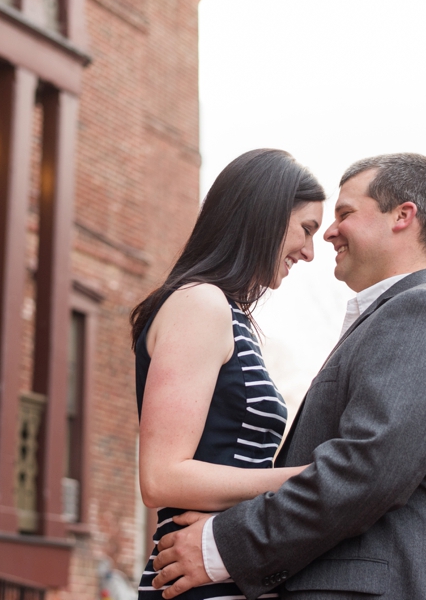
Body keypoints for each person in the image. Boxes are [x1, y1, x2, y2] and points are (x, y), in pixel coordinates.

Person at [151, 153, 426, 599]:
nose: (329, 233)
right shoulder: (393, 319)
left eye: (345, 214)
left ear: (403, 216)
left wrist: (221, 546)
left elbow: (366, 472)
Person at [132, 148, 327, 600]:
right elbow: (161, 477)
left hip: (221, 576)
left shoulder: (227, 313)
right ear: (268, 214)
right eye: (306, 229)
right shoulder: (201, 304)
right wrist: (307, 479)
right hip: (193, 583)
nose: (310, 251)